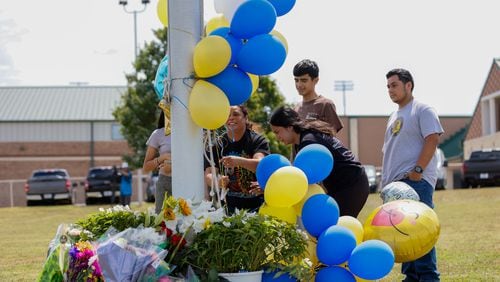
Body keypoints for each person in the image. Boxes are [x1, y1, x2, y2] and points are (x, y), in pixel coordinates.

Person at [382, 68, 443, 282]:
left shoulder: (422, 109)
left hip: (415, 182)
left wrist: (418, 171)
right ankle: (411, 277)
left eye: (394, 85)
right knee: (404, 234)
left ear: (409, 85)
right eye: (388, 86)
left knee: (420, 232)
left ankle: (428, 277)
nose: (390, 90)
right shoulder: (394, 115)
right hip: (395, 185)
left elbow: (432, 138)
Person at [269, 106, 369, 217]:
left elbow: (300, 179)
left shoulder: (309, 141)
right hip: (343, 186)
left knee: (337, 226)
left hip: (352, 185)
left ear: (289, 127)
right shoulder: (302, 141)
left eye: (277, 132)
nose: (277, 137)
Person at [204, 105, 270, 214]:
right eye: (227, 115)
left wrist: (239, 161)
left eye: (236, 114)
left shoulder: (257, 140)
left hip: (256, 207)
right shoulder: (217, 144)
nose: (231, 118)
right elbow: (209, 175)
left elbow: (260, 165)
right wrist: (218, 181)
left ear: (245, 118)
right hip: (227, 209)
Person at [293, 59, 343, 133]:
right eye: (296, 80)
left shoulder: (326, 105)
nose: (299, 85)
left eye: (304, 80)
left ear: (316, 80)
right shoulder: (295, 109)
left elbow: (332, 137)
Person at [143, 113, 172, 214]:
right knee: (163, 223)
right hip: (166, 183)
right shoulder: (158, 134)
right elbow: (146, 167)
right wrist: (162, 158)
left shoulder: (191, 131)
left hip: (187, 182)